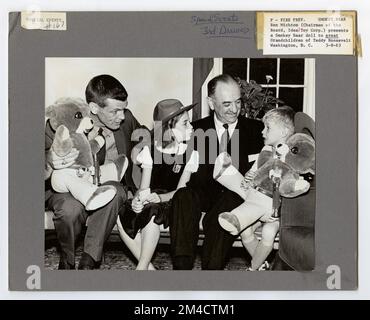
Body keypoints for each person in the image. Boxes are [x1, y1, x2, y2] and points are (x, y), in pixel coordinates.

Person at [45, 74, 142, 270]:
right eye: (115, 111)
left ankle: (89, 261)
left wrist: (146, 142)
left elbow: (143, 133)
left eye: (123, 109)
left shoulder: (127, 118)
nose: (122, 117)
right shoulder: (69, 121)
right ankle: (67, 260)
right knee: (70, 209)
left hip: (105, 181)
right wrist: (50, 159)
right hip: (68, 188)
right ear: (94, 108)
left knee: (115, 192)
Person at [169, 74, 264, 270]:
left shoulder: (257, 130)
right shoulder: (194, 130)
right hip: (201, 195)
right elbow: (177, 171)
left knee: (228, 204)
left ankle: (211, 273)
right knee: (183, 196)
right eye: (227, 104)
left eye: (238, 102)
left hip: (233, 198)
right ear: (211, 103)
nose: (235, 109)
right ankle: (181, 270)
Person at [116, 99, 199, 270]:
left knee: (153, 214)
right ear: (169, 129)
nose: (191, 127)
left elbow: (181, 191)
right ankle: (150, 269)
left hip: (172, 202)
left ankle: (141, 268)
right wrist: (138, 200)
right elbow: (144, 188)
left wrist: (159, 197)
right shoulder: (150, 151)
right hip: (151, 198)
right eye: (185, 124)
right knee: (122, 213)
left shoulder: (190, 153)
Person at [216, 106, 296, 271]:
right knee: (244, 232)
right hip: (258, 202)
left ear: (283, 132)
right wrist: (248, 178)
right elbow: (254, 170)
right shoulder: (265, 151)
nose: (263, 132)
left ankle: (253, 268)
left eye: (268, 128)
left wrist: (277, 212)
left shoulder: (288, 156)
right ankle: (260, 266)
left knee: (268, 233)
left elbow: (289, 185)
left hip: (277, 211)